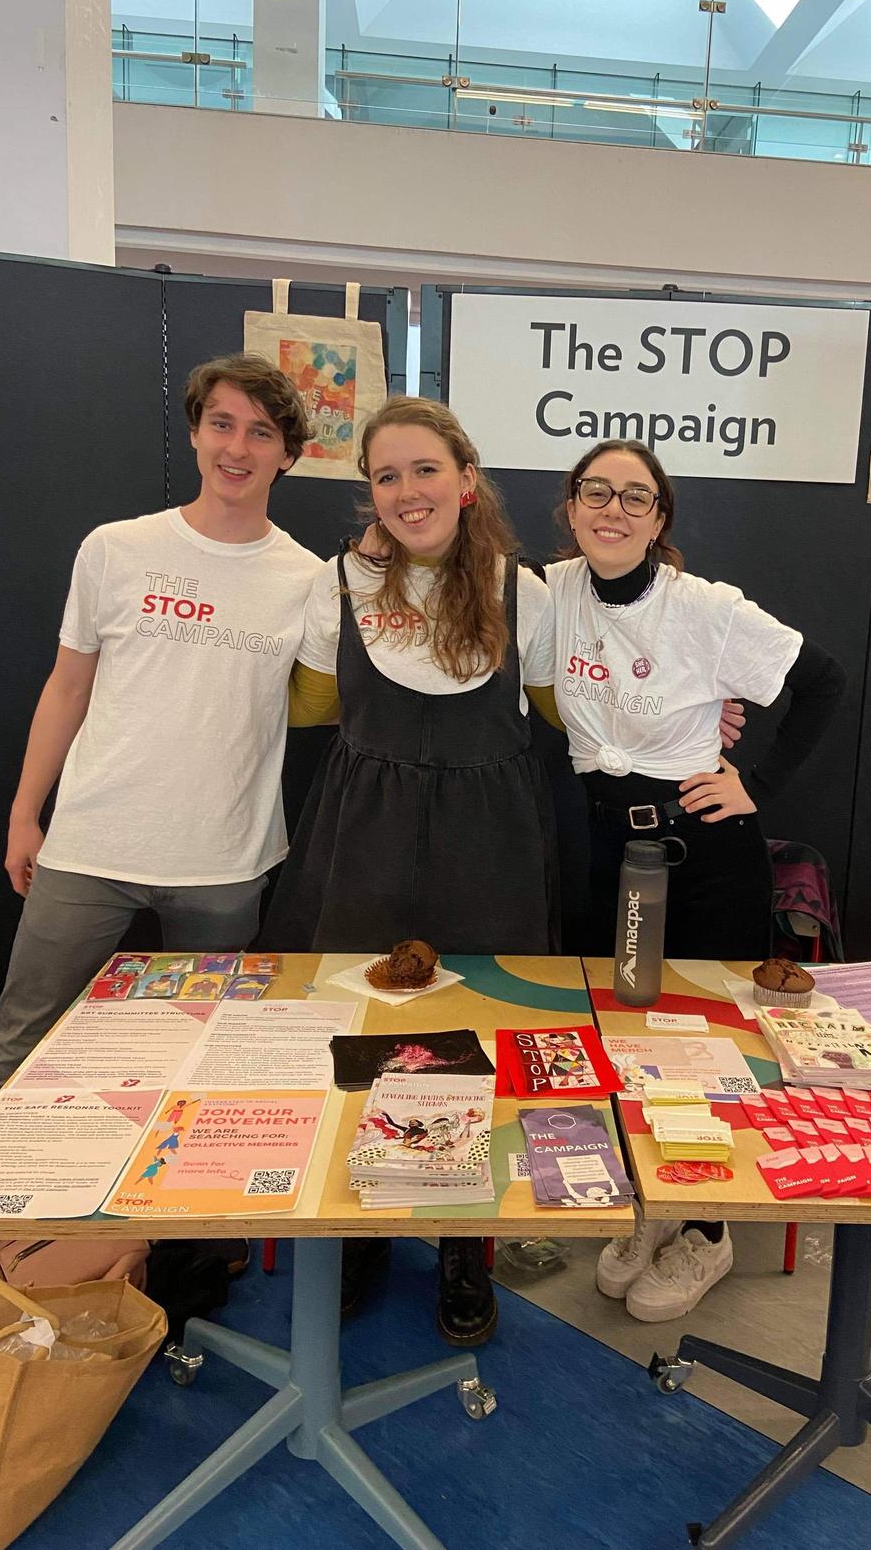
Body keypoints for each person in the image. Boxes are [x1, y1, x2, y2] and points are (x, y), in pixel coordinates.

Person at [0, 355, 320, 1182]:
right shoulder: (116, 549)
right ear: (195, 432)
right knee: (18, 1043)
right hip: (90, 847)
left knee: (196, 1066)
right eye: (221, 424)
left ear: (288, 454)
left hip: (224, 864)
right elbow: (67, 686)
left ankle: (161, 1239)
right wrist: (24, 812)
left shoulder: (308, 581)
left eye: (261, 432)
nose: (237, 447)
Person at [269, 395, 561, 1347]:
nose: (406, 490)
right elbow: (311, 704)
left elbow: (563, 710)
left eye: (424, 469)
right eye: (386, 475)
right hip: (367, 830)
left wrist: (691, 716)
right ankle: (358, 1228)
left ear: (466, 480)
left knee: (474, 1036)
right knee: (360, 1031)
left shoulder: (526, 590)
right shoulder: (342, 580)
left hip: (489, 839)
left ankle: (462, 1242)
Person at [545, 438, 846, 1323]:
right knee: (620, 1031)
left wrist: (760, 784)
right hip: (605, 848)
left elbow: (824, 682)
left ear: (660, 518)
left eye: (634, 496)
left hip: (703, 853)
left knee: (704, 1044)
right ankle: (655, 1199)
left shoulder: (706, 608)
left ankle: (708, 1229)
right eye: (596, 491)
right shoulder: (547, 592)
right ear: (570, 508)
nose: (613, 509)